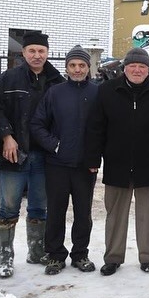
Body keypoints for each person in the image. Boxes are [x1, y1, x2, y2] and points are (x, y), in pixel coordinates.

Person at [85, 47, 149, 276]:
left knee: (148, 214)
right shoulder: (107, 91)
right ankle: (113, 257)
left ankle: (147, 257)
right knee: (115, 214)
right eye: (133, 66)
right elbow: (96, 127)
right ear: (124, 68)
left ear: (148, 69)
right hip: (117, 163)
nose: (137, 70)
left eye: (142, 66)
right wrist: (93, 157)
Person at [0, 30, 65, 278]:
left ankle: (36, 250)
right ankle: (6, 256)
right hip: (14, 154)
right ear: (23, 53)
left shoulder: (57, 81)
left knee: (39, 207)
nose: (37, 55)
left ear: (47, 53)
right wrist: (6, 136)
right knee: (9, 206)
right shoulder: (7, 80)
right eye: (32, 51)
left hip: (45, 156)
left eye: (41, 51)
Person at [30, 45, 99, 275]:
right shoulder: (55, 93)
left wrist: (95, 155)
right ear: (66, 67)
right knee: (56, 211)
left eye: (81, 65)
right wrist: (54, 144)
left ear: (88, 68)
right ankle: (56, 255)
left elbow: (104, 127)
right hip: (57, 164)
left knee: (83, 213)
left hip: (85, 166)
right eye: (72, 65)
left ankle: (80, 253)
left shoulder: (97, 92)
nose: (77, 70)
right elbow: (37, 124)